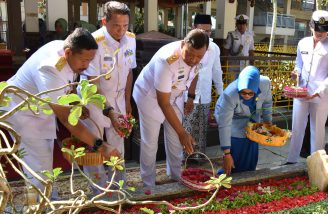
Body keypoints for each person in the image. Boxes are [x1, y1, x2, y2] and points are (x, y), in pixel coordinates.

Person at [3, 28, 120, 197]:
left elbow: (64, 86)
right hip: (24, 114)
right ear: (68, 52)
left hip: (39, 110)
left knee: (44, 163)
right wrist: (100, 145)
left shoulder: (64, 48)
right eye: (84, 60)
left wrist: (75, 103)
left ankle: (47, 203)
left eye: (90, 61)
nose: (86, 66)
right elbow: (66, 119)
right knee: (39, 168)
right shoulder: (50, 68)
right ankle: (46, 209)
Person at [133, 29, 209, 190]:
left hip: (175, 95)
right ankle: (148, 183)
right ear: (183, 44)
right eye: (189, 54)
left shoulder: (202, 53)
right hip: (151, 97)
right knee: (150, 142)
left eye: (199, 56)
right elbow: (163, 102)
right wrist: (183, 132)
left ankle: (175, 175)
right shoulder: (166, 60)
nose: (193, 59)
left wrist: (190, 96)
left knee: (175, 138)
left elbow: (195, 72)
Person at [80, 1, 136, 194]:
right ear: (105, 21)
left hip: (119, 98)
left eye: (125, 25)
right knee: (95, 143)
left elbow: (129, 72)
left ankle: (119, 185)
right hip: (95, 99)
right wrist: (110, 112)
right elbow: (94, 83)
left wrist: (127, 101)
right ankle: (98, 190)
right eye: (116, 26)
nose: (121, 31)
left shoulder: (131, 39)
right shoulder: (94, 42)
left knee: (117, 142)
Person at [285, 10, 328, 164]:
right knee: (297, 128)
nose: (320, 33)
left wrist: (318, 92)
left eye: (323, 31)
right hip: (301, 92)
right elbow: (299, 64)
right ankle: (291, 160)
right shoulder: (302, 42)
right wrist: (296, 72)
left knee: (317, 131)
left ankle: (316, 165)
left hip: (320, 96)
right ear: (311, 26)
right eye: (317, 30)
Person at [214, 66, 272, 175]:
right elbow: (224, 125)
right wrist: (227, 153)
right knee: (236, 142)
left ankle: (249, 174)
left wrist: (268, 123)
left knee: (252, 140)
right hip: (230, 117)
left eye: (250, 93)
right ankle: (227, 173)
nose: (246, 96)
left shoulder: (265, 84)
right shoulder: (230, 94)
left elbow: (267, 103)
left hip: (252, 114)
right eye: (243, 93)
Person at [183, 14, 224, 156]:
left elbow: (217, 71)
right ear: (194, 28)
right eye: (203, 31)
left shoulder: (214, 48)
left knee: (202, 129)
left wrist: (221, 94)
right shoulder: (186, 45)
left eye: (209, 31)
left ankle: (199, 158)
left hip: (205, 96)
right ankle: (184, 158)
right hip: (187, 96)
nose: (206, 34)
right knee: (187, 127)